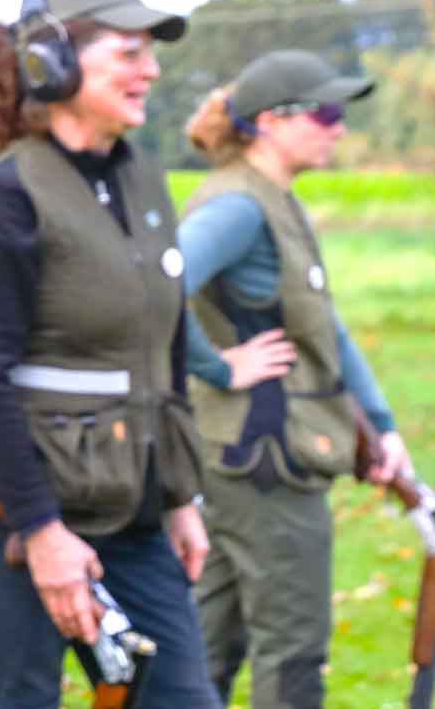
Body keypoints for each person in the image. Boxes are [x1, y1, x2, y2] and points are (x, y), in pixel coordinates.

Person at [0, 0, 224, 708]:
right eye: (129, 53)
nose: (151, 71)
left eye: (150, 52)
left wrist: (179, 496)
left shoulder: (144, 182)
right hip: (14, 512)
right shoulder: (2, 201)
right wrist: (40, 530)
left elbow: (163, 348)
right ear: (50, 64)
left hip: (132, 506)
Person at [178, 50, 413, 709]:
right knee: (292, 650)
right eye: (326, 113)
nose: (339, 128)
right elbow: (159, 288)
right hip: (267, 460)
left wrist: (382, 425)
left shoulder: (273, 200)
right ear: (271, 122)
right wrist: (218, 365)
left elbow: (325, 329)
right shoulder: (238, 208)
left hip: (248, 454)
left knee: (205, 647)